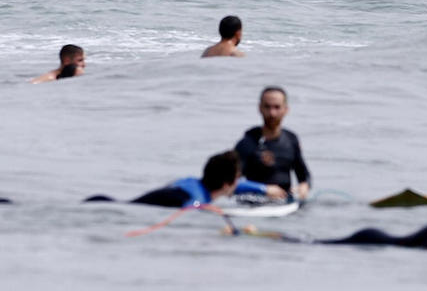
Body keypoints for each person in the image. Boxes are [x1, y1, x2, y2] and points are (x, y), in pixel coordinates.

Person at [234, 87, 311, 202]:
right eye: (267, 107)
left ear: (286, 109)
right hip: (253, 204)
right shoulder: (247, 144)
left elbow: (304, 175)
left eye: (277, 107)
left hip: (285, 204)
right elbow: (229, 183)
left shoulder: (291, 140)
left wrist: (304, 186)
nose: (272, 113)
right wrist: (264, 189)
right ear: (260, 108)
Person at [122, 150, 270, 209]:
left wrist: (265, 189)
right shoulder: (198, 201)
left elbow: (233, 184)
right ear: (227, 184)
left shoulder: (192, 181)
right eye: (237, 178)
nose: (238, 183)